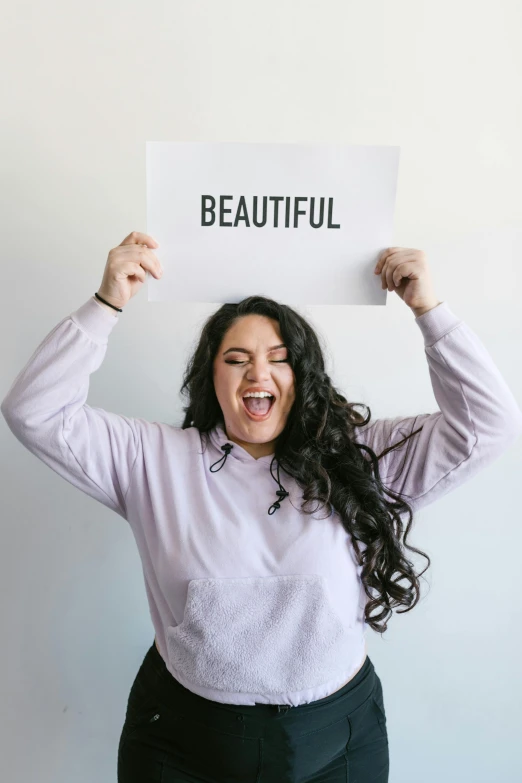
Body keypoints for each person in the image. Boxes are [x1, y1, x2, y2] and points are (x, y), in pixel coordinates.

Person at [2, 231, 521, 783]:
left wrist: (429, 310)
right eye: (237, 359)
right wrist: (105, 304)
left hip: (335, 737)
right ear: (212, 376)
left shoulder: (363, 458)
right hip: (182, 735)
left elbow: (488, 425)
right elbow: (35, 411)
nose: (258, 374)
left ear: (302, 375)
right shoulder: (151, 458)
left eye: (279, 358)